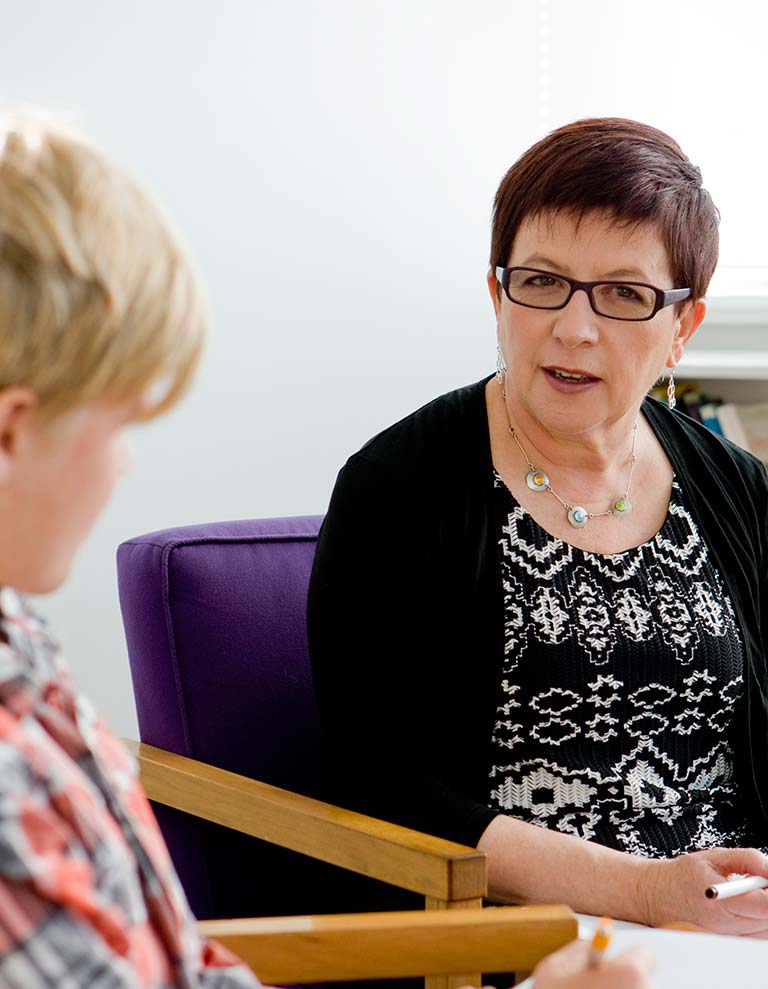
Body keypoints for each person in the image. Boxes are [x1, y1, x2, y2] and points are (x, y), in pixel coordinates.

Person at [0, 111, 638, 989]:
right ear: (12, 432)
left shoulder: (24, 658)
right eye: (122, 423)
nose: (126, 462)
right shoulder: (11, 779)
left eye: (624, 293)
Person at [307, 117, 768, 937]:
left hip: (731, 925)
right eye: (542, 281)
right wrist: (644, 891)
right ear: (497, 291)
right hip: (512, 935)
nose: (574, 328)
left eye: (624, 294)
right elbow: (380, 782)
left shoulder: (737, 489)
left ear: (682, 328)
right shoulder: (398, 489)